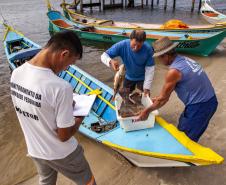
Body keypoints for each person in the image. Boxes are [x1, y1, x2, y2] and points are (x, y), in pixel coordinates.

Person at [10, 31, 96, 185]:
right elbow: (64, 136)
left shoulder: (16, 73)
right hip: (63, 154)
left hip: (36, 149)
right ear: (64, 54)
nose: (65, 69)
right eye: (70, 64)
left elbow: (34, 109)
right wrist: (80, 117)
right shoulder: (60, 87)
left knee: (46, 182)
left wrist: (64, 106)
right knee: (88, 182)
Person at [135, 36, 218, 142]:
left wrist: (146, 111)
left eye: (159, 57)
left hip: (201, 106)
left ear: (166, 56)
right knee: (183, 127)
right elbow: (178, 88)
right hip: (210, 100)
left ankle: (186, 157)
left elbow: (163, 100)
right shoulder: (185, 60)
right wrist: (159, 98)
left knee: (185, 139)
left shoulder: (174, 71)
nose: (159, 60)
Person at [101, 30, 155, 96]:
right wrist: (110, 61)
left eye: (139, 46)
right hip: (128, 77)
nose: (136, 48)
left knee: (145, 97)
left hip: (142, 78)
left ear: (143, 42)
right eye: (134, 44)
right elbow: (103, 56)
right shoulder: (122, 45)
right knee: (124, 97)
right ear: (130, 39)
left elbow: (150, 70)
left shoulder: (148, 49)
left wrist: (147, 87)